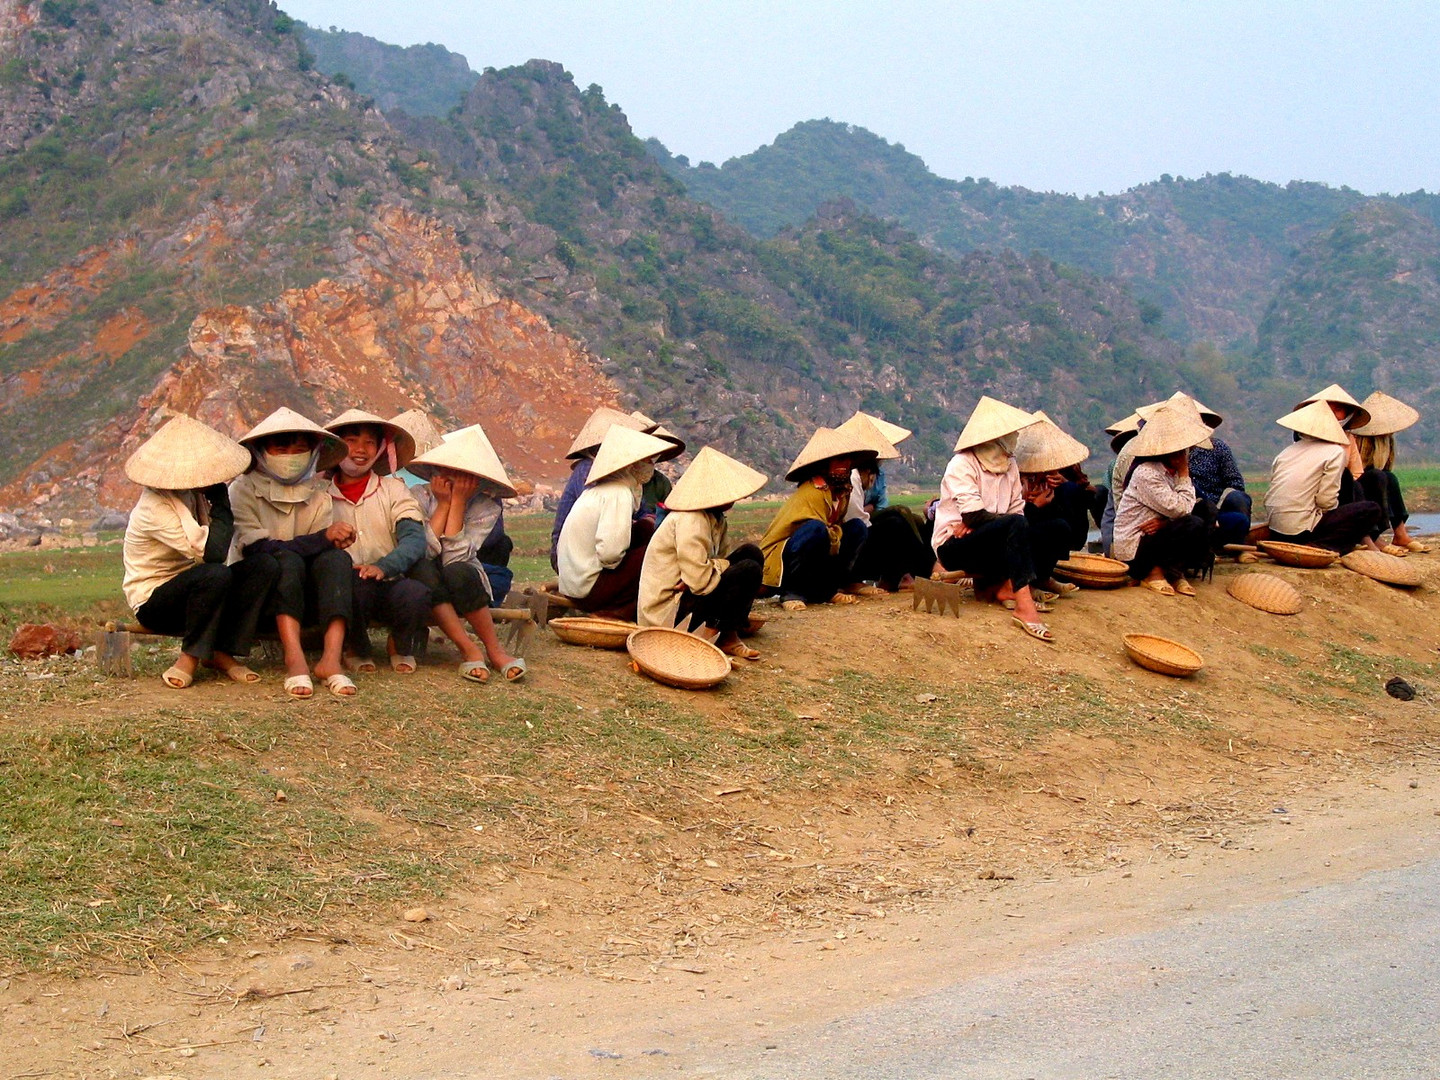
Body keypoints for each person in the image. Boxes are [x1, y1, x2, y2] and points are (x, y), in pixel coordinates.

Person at [121, 415, 273, 688]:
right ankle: (189, 657)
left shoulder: (191, 494)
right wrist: (222, 502)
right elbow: (213, 554)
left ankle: (221, 651)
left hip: (198, 592)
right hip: (154, 600)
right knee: (213, 574)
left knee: (264, 565)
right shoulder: (154, 507)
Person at [228, 407, 356, 699]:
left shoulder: (318, 494)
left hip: (304, 598)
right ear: (261, 452)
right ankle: (294, 657)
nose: (290, 455)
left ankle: (331, 659)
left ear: (312, 454)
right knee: (285, 559)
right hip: (258, 596)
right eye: (281, 448)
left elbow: (320, 552)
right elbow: (259, 548)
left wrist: (333, 541)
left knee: (337, 559)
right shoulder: (242, 489)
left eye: (299, 449)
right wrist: (323, 537)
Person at [930, 397, 1057, 642]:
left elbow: (1015, 513)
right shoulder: (961, 464)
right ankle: (1024, 605)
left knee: (1054, 528)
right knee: (1014, 525)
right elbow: (973, 514)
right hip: (955, 547)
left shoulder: (1010, 466)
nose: (1015, 440)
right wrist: (983, 520)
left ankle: (1005, 587)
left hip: (992, 541)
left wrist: (984, 522)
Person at [408, 424, 527, 682]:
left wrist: (458, 503)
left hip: (462, 580)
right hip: (422, 581)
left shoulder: (486, 507)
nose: (455, 479)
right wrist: (444, 504)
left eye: (465, 474)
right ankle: (469, 649)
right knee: (423, 568)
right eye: (448, 470)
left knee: (458, 572)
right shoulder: (417, 496)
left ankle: (494, 651)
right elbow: (425, 551)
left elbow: (455, 558)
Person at [324, 409, 430, 674]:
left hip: (388, 580)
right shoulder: (320, 496)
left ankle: (400, 645)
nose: (361, 449)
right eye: (351, 440)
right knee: (355, 590)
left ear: (380, 448)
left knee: (415, 593)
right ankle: (356, 648)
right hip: (347, 586)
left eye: (370, 442)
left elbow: (414, 539)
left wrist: (384, 566)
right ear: (335, 447)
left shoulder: (394, 489)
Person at [638, 446, 768, 659]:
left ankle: (728, 628)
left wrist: (709, 568)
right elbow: (700, 581)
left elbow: (713, 564)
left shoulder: (715, 518)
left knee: (751, 553)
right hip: (668, 612)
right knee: (748, 569)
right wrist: (713, 568)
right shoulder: (692, 520)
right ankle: (717, 633)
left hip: (691, 591)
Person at [557, 425, 674, 619]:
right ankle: (620, 612)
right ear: (631, 464)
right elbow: (610, 554)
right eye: (645, 460)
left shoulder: (603, 490)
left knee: (646, 529)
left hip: (575, 585)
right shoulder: (618, 494)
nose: (650, 465)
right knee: (661, 552)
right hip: (589, 590)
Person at [758, 427, 873, 611]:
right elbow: (816, 532)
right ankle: (792, 592)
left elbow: (836, 528)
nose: (845, 465)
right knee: (816, 530)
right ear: (825, 464)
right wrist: (834, 534)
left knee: (857, 528)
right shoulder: (813, 490)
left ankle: (828, 589)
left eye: (847, 460)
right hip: (787, 554)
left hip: (823, 545)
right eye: (839, 460)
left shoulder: (843, 492)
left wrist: (837, 534)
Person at [1111, 403, 1214, 596]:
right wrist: (1185, 473)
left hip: (1157, 534)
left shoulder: (1170, 473)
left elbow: (1187, 506)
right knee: (1192, 523)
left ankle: (1175, 572)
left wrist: (1165, 523)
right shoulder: (1147, 473)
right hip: (1137, 545)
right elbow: (1181, 509)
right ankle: (1153, 573)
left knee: (1207, 510)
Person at [1265, 400, 1382, 553]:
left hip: (1276, 530)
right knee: (1371, 509)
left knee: (1345, 478)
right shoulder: (1334, 452)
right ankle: (1321, 545)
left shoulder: (1285, 453)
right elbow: (1325, 501)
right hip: (1302, 531)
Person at [549, 407, 646, 572]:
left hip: (593, 551)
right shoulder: (588, 471)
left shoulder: (623, 479)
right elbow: (602, 519)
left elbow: (642, 512)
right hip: (573, 557)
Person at [1351, 391, 1428, 554]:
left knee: (1389, 477)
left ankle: (1400, 533)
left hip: (1364, 481)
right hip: (1351, 488)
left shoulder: (1384, 442)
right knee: (1375, 476)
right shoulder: (1352, 438)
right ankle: (1372, 537)